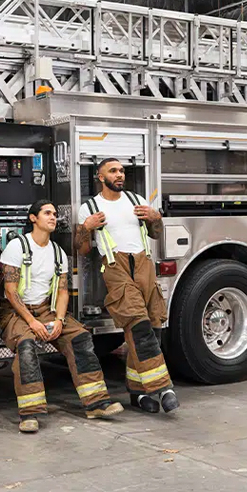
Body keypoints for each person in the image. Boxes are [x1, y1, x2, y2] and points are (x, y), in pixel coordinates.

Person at [0, 201, 123, 433]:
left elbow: (64, 291)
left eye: (55, 214)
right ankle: (30, 413)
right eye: (47, 213)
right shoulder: (18, 247)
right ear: (33, 218)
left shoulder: (58, 253)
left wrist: (59, 319)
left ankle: (96, 403)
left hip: (47, 309)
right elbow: (10, 291)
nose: (53, 217)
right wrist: (32, 322)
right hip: (17, 311)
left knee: (80, 339)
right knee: (26, 346)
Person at [74, 159, 178, 415]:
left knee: (153, 327)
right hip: (115, 267)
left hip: (144, 264)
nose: (120, 175)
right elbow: (83, 249)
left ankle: (138, 391)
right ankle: (163, 387)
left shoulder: (135, 199)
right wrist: (86, 229)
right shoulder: (89, 208)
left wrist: (156, 218)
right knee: (137, 324)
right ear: (100, 177)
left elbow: (155, 233)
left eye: (121, 170)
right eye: (113, 171)